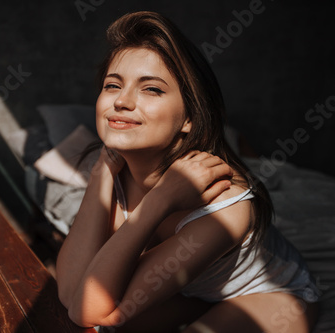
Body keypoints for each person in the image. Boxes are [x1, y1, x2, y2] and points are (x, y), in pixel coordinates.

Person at [56, 11, 320, 333]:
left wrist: (160, 199)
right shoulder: (113, 168)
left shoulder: (226, 206)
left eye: (151, 89)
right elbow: (72, 295)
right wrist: (101, 172)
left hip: (275, 296)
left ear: (189, 118)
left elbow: (87, 309)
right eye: (113, 85)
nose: (122, 102)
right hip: (197, 292)